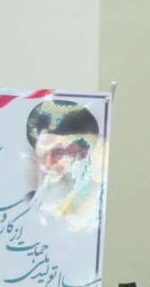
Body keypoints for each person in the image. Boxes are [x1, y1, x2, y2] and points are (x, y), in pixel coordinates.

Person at [25, 99, 105, 231]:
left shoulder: (97, 208)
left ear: (84, 153)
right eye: (42, 153)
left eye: (58, 152)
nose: (48, 163)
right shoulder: (33, 203)